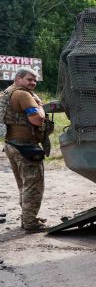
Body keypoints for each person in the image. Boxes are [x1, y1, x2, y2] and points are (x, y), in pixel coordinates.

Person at [2, 67, 47, 231]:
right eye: (29, 79)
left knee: (24, 185)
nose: (33, 83)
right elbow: (37, 119)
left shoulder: (8, 91)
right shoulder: (23, 94)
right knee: (33, 186)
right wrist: (40, 106)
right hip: (24, 146)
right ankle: (30, 222)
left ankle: (27, 218)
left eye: (35, 80)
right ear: (19, 78)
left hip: (11, 144)